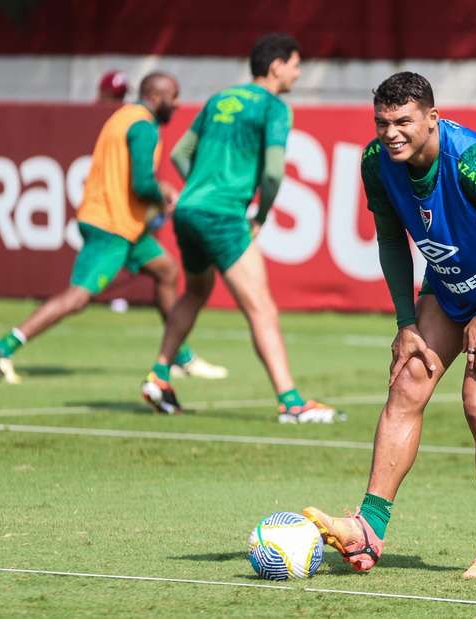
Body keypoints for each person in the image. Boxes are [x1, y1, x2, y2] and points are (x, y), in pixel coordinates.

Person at [303, 72, 476, 579]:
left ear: (432, 119)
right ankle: (368, 529)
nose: (390, 132)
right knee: (407, 383)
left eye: (403, 122)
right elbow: (393, 241)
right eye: (382, 122)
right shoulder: (376, 163)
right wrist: (406, 322)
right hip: (450, 280)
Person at [140, 34, 341, 424]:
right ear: (276, 65)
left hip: (189, 210)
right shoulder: (274, 108)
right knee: (261, 308)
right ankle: (291, 402)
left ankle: (159, 376)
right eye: (296, 65)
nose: (298, 74)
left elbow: (182, 152)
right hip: (222, 215)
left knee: (195, 292)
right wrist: (260, 215)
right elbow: (272, 172)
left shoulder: (219, 99)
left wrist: (199, 185)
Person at [0, 72, 226, 385]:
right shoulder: (143, 126)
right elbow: (141, 183)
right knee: (78, 298)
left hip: (122, 222)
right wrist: (164, 192)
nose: (178, 104)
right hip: (112, 225)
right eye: (173, 96)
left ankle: (178, 357)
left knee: (166, 271)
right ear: (155, 97)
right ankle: (2, 348)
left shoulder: (123, 117)